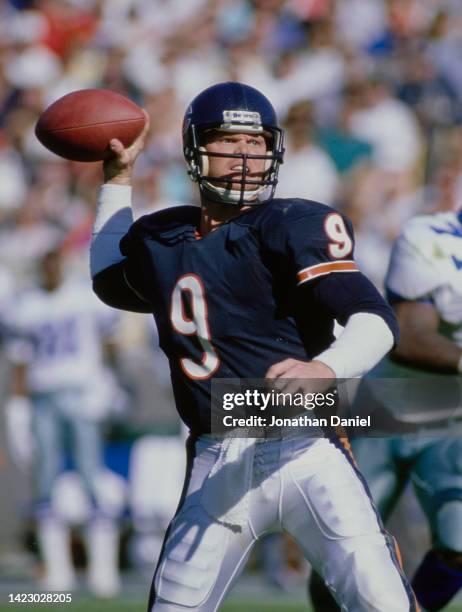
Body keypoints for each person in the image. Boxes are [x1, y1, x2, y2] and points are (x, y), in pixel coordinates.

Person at [90, 81, 417, 610]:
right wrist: (118, 180)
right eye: (228, 141)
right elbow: (107, 279)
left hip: (307, 447)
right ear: (196, 149)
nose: (245, 155)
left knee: (384, 604)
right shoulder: (162, 237)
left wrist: (325, 369)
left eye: (257, 142)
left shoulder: (293, 223)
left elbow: (375, 321)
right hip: (216, 455)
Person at [309, 206, 462, 611]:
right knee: (344, 551)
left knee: (459, 542)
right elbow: (410, 337)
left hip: (454, 422)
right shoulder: (429, 235)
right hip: (386, 411)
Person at [4, 245, 123, 597]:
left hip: (82, 391)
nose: (52, 271)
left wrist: (107, 380)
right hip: (44, 397)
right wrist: (18, 404)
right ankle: (58, 573)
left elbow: (109, 341)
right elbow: (20, 360)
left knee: (91, 476)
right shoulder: (26, 306)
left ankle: (103, 571)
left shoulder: (83, 297)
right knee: (44, 482)